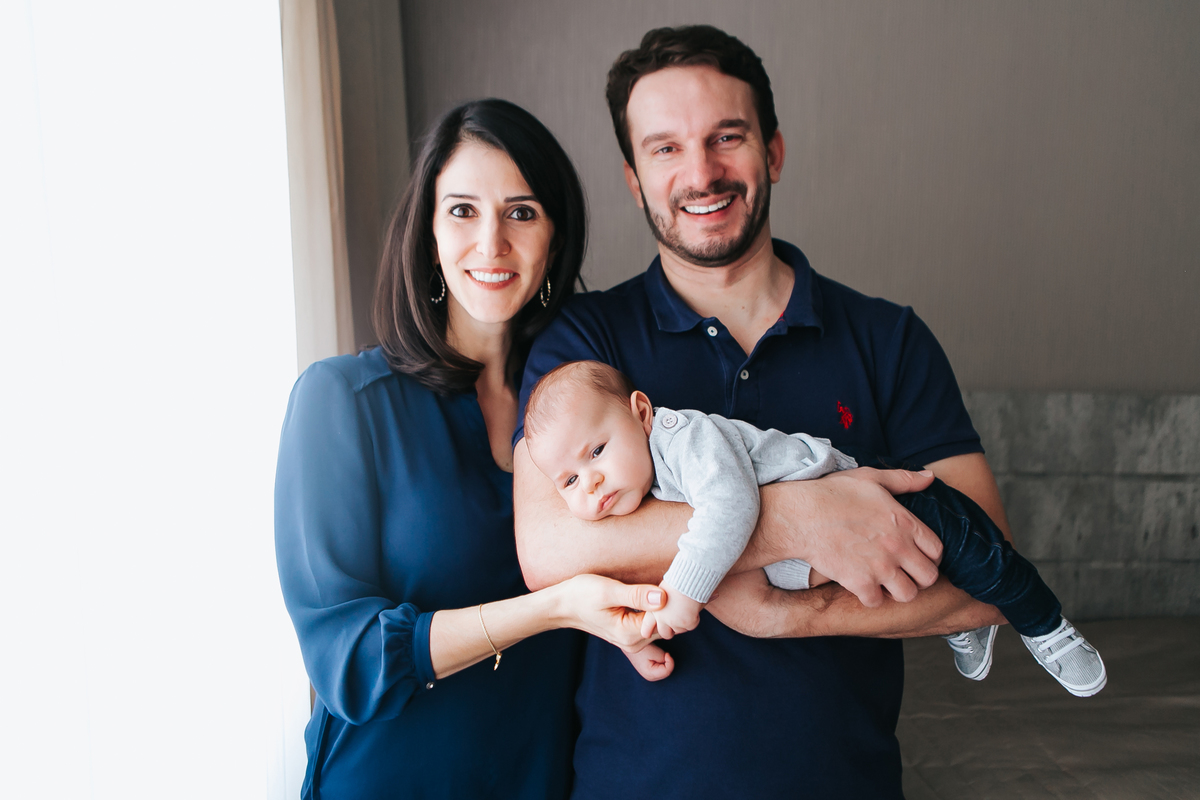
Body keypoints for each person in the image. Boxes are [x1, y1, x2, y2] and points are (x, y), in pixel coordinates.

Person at [511, 26, 1015, 798]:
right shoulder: (584, 346)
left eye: (727, 137)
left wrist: (790, 613)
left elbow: (991, 575)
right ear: (635, 180)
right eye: (666, 148)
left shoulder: (888, 339)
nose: (701, 173)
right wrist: (799, 521)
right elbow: (550, 548)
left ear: (772, 151)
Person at [274, 99, 668, 800]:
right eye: (462, 211)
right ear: (428, 234)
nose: (492, 243)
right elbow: (349, 664)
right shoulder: (339, 403)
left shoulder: (601, 408)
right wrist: (553, 608)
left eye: (521, 212)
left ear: (554, 238)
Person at [522, 360, 1107, 696]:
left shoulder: (682, 438)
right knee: (915, 575)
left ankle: (1045, 624)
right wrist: (636, 637)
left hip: (855, 489)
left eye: (596, 451)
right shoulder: (638, 485)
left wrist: (681, 593)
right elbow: (622, 571)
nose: (591, 482)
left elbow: (727, 510)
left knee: (968, 548)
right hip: (813, 564)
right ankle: (960, 625)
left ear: (642, 412)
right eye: (568, 481)